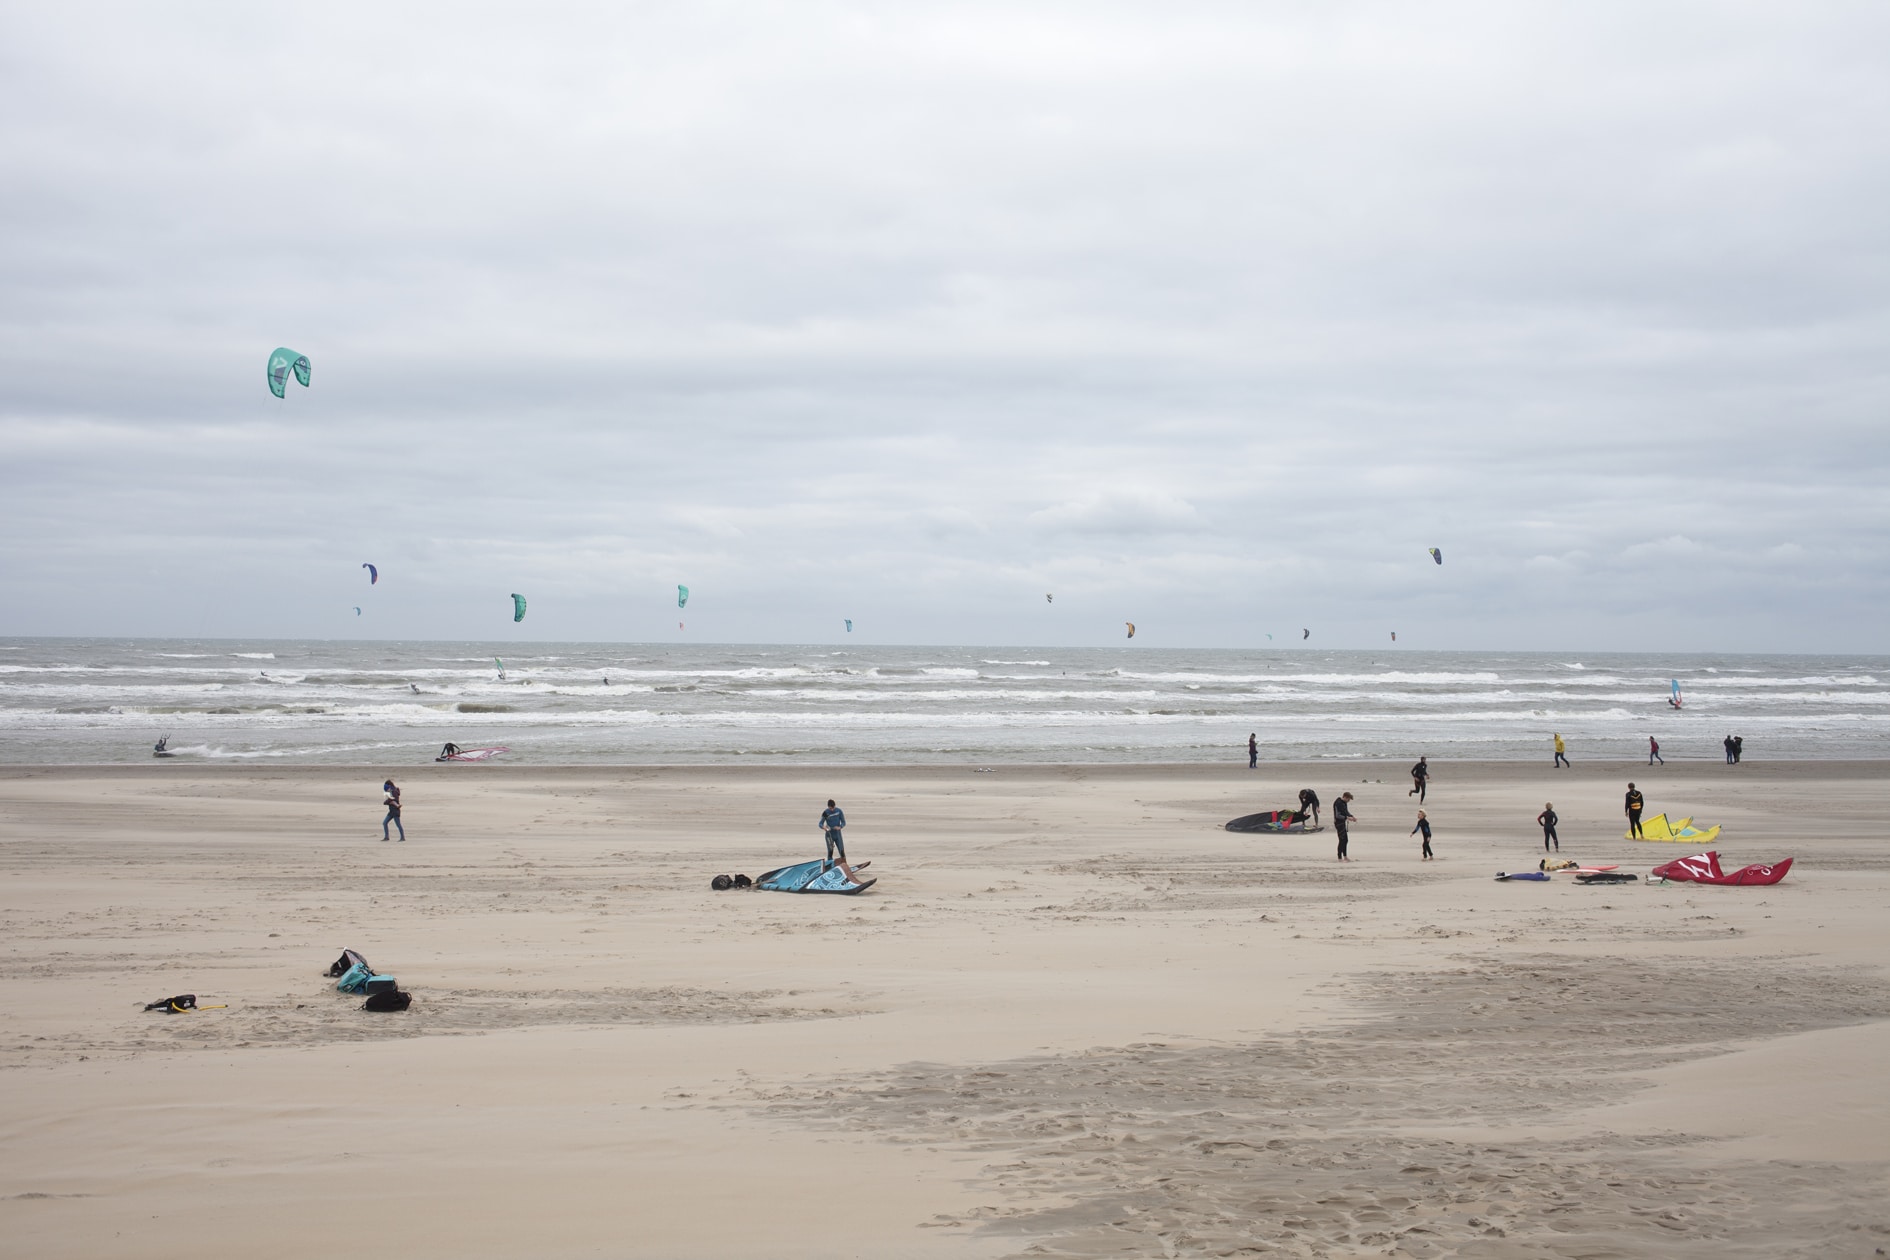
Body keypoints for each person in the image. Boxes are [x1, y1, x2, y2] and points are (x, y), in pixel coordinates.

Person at [818, 798, 854, 876]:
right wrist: (824, 827)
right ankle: (829, 869)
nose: (831, 810)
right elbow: (820, 824)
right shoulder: (826, 812)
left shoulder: (839, 811)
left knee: (841, 851)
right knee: (830, 852)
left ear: (834, 806)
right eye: (830, 808)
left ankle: (845, 868)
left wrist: (840, 827)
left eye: (832, 808)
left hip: (837, 834)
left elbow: (844, 822)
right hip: (829, 835)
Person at [1333, 792, 1356, 861]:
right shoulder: (1338, 803)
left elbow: (1346, 811)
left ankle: (1345, 856)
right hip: (1338, 823)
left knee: (1345, 840)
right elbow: (1338, 815)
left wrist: (1352, 816)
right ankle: (1339, 857)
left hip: (1343, 823)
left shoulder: (1344, 803)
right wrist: (1347, 818)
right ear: (1345, 797)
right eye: (1348, 800)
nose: (1348, 801)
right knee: (1342, 840)